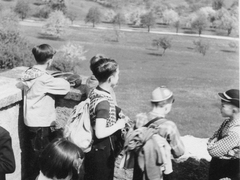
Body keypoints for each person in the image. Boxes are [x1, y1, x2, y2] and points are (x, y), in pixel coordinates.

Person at [21, 44, 71, 180]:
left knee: (31, 159)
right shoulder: (44, 79)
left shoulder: (29, 72)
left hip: (30, 122)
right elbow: (66, 87)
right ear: (50, 60)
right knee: (40, 160)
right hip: (41, 125)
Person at [84, 57, 128, 180]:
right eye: (117, 74)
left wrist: (117, 111)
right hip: (101, 150)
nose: (118, 77)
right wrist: (119, 125)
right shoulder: (104, 103)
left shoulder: (96, 91)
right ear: (110, 79)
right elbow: (100, 132)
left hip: (94, 148)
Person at [132, 86, 185, 180]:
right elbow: (179, 152)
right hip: (157, 172)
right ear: (167, 105)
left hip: (140, 168)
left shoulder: (139, 118)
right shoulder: (169, 126)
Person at [207, 89, 240, 180]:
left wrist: (212, 143)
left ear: (234, 109)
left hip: (228, 174)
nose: (220, 108)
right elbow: (214, 137)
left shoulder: (235, 132)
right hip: (220, 170)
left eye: (223, 106)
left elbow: (213, 151)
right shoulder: (227, 123)